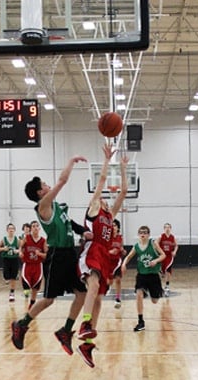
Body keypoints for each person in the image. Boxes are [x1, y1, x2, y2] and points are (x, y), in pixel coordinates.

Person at [11, 155, 90, 356]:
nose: (48, 185)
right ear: (40, 192)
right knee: (48, 299)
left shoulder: (56, 207)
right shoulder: (43, 205)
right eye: (45, 184)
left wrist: (83, 231)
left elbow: (68, 222)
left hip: (70, 253)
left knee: (82, 294)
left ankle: (65, 330)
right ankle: (22, 324)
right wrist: (71, 161)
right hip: (57, 256)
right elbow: (62, 181)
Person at [76, 143, 128, 368]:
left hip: (105, 256)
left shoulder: (110, 213)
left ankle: (86, 343)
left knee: (97, 299)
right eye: (102, 198)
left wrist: (124, 168)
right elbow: (100, 183)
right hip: (92, 251)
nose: (105, 199)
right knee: (94, 286)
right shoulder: (95, 208)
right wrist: (107, 161)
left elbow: (124, 192)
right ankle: (85, 324)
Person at [121, 225, 166, 332]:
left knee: (155, 301)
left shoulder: (153, 243)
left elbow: (163, 255)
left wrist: (155, 261)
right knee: (138, 294)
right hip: (141, 275)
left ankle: (149, 292)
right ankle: (141, 321)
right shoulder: (136, 246)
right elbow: (129, 256)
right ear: (138, 234)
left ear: (148, 234)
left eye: (145, 232)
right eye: (141, 232)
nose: (143, 234)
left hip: (153, 275)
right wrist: (123, 264)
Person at [19, 220, 47, 309]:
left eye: (36, 226)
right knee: (26, 284)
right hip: (27, 264)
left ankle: (32, 303)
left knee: (35, 287)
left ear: (39, 228)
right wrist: (20, 252)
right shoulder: (26, 238)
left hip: (37, 265)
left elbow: (47, 255)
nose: (35, 228)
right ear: (31, 229)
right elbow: (20, 247)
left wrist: (40, 254)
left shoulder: (43, 241)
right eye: (33, 226)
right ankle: (26, 292)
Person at [0, 223, 21, 302]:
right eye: (9, 228)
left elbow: (22, 248)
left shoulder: (17, 240)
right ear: (7, 230)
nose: (11, 230)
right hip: (6, 259)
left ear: (14, 230)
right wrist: (3, 249)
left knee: (13, 278)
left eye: (12, 228)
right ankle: (7, 277)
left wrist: (18, 251)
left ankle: (12, 294)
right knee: (6, 276)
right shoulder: (4, 239)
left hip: (14, 259)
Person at [157, 223, 178, 297]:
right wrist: (159, 252)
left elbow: (176, 245)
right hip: (162, 256)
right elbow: (156, 244)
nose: (167, 228)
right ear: (164, 228)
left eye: (168, 227)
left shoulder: (172, 237)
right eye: (166, 227)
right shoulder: (161, 236)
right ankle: (161, 274)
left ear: (170, 228)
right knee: (162, 271)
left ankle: (167, 286)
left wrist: (174, 251)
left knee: (168, 270)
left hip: (169, 256)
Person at [110, 219, 126, 309]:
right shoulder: (107, 238)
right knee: (109, 281)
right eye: (112, 225)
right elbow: (103, 250)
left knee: (118, 280)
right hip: (108, 261)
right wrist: (111, 251)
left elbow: (122, 250)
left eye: (115, 225)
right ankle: (107, 287)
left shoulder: (120, 238)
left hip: (117, 262)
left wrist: (123, 251)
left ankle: (118, 298)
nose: (113, 227)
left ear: (118, 227)